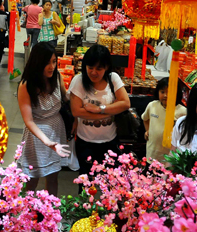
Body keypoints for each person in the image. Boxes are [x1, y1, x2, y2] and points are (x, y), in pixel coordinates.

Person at [18, 42, 71, 196]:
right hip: (37, 135)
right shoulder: (26, 85)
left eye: (54, 62)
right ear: (37, 63)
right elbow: (29, 121)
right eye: (47, 63)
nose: (51, 67)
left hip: (57, 128)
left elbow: (66, 98)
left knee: (53, 176)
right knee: (32, 179)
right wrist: (47, 141)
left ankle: (51, 214)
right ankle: (26, 215)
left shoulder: (57, 76)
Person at [69, 44, 131, 174]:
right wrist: (110, 111)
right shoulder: (78, 81)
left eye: (99, 68)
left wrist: (99, 109)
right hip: (85, 142)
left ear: (106, 67)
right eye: (90, 67)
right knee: (86, 183)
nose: (93, 72)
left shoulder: (113, 78)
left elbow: (125, 103)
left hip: (110, 142)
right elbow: (76, 111)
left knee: (109, 183)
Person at [142, 77, 187, 163]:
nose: (166, 95)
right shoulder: (152, 106)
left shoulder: (182, 111)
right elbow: (145, 119)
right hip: (152, 154)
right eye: (162, 92)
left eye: (170, 92)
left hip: (170, 158)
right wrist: (147, 130)